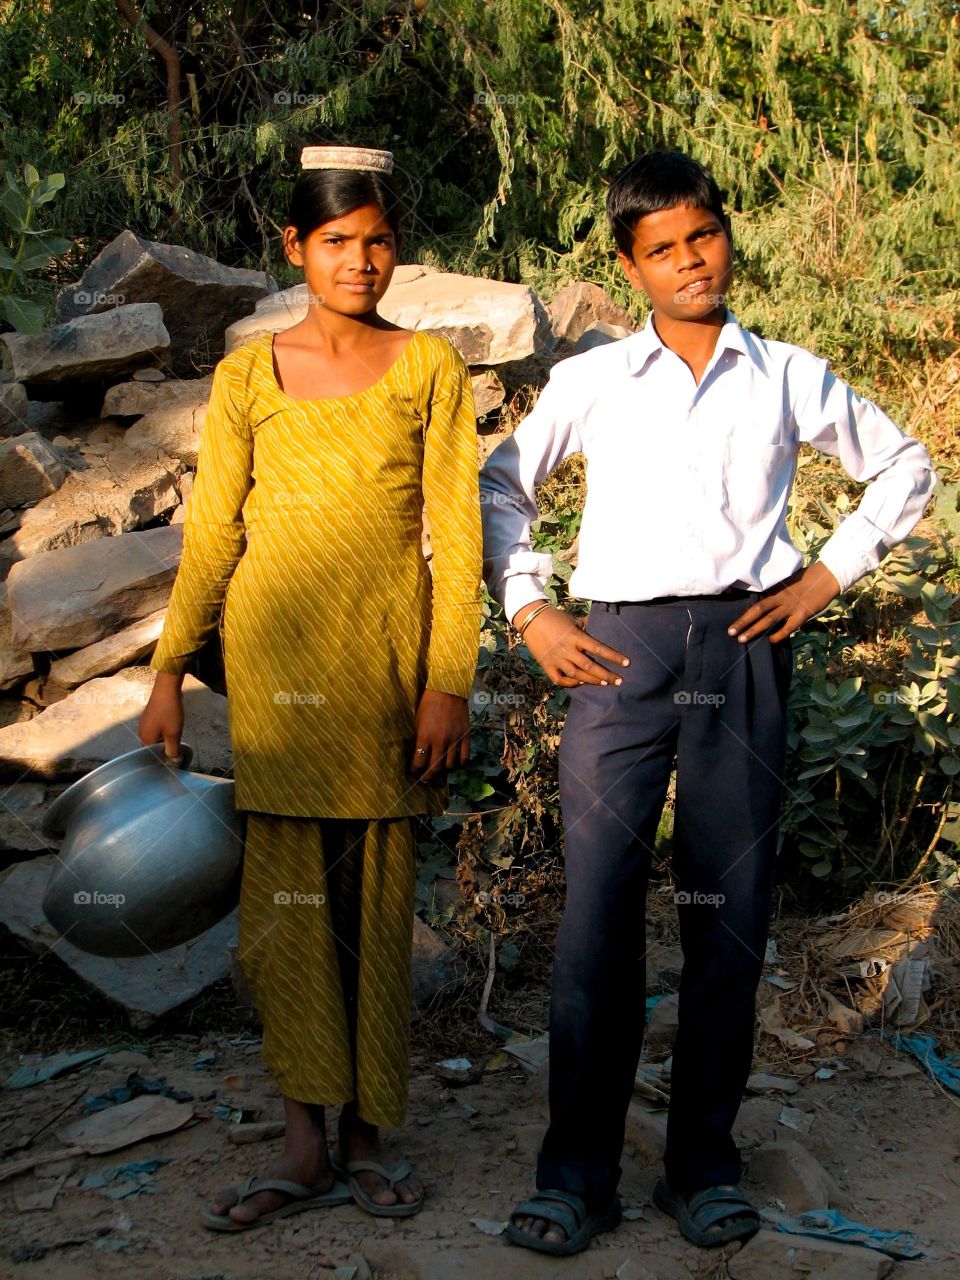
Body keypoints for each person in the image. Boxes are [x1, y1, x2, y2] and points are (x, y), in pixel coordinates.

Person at [479, 149, 937, 1256]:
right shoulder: (594, 381)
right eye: (662, 250)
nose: (690, 262)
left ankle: (702, 1166)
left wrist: (825, 572)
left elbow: (907, 465)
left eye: (704, 237)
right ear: (630, 268)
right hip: (618, 651)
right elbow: (501, 481)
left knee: (724, 920)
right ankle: (576, 1173)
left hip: (742, 645)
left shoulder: (784, 373)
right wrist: (532, 606)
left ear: (726, 236)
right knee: (596, 918)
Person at [138, 143, 483, 1232]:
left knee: (374, 916)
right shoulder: (248, 376)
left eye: (378, 239)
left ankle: (371, 1135)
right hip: (279, 687)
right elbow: (215, 536)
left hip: (386, 684)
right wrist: (163, 669)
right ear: (296, 247)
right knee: (287, 920)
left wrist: (448, 686)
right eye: (337, 240)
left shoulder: (429, 367)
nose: (360, 259)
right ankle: (303, 1142)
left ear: (398, 248)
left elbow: (458, 539)